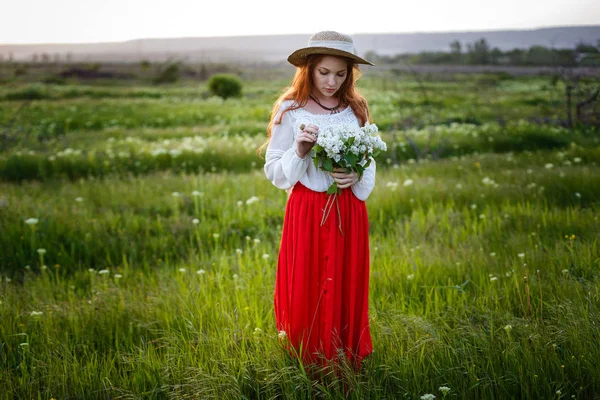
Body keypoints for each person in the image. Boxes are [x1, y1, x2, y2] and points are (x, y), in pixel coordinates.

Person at [262, 31, 376, 374]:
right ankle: (307, 360)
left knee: (344, 281)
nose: (332, 81)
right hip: (309, 209)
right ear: (309, 69)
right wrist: (299, 151)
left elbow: (370, 158)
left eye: (340, 74)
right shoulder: (291, 109)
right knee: (308, 283)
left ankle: (345, 358)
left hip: (348, 210)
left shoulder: (355, 108)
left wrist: (356, 176)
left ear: (350, 73)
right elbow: (275, 171)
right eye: (324, 72)